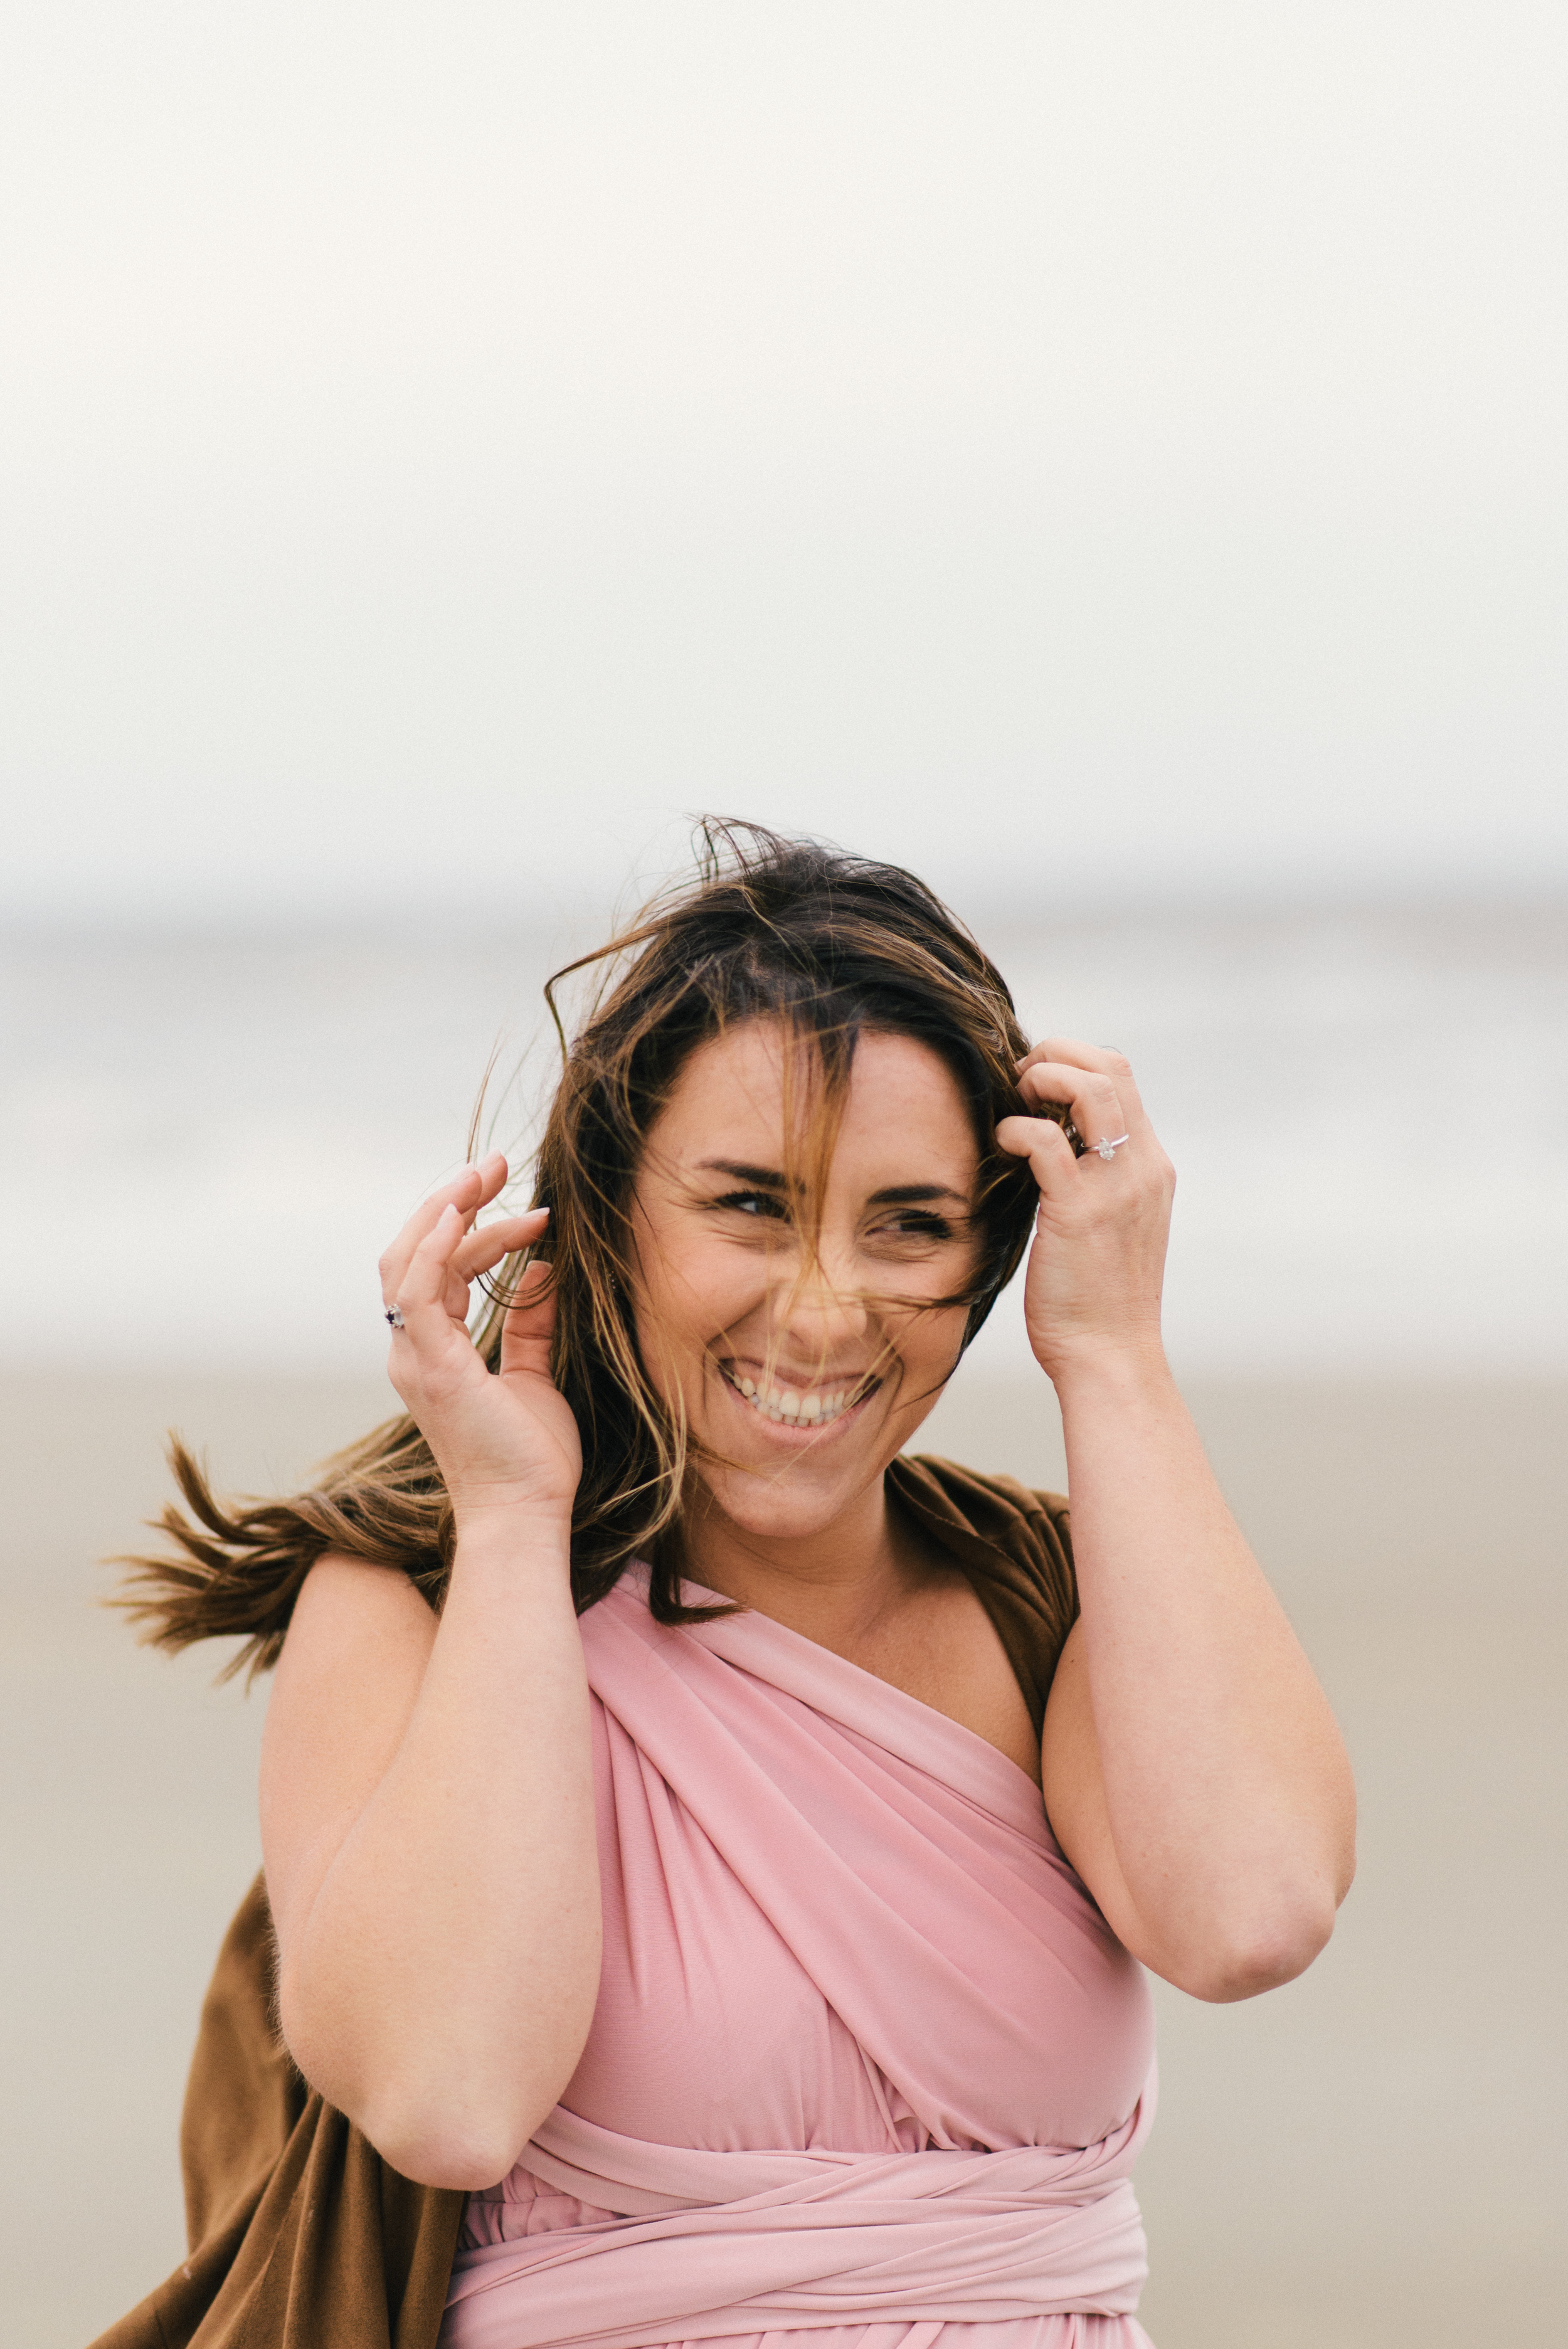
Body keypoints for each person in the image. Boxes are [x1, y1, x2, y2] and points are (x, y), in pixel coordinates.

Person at [104, 822, 1355, 2349]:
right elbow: (449, 2093)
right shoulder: (410, 1600)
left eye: (911, 1224)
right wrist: (509, 1518)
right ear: (617, 1209)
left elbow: (1249, 1913)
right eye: (751, 1205)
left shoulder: (1045, 1597)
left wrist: (1113, 1353)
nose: (824, 1315)